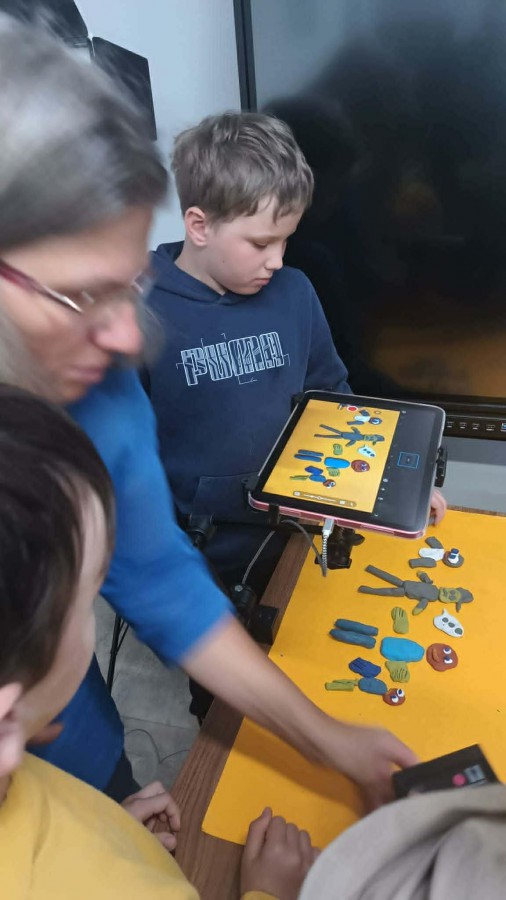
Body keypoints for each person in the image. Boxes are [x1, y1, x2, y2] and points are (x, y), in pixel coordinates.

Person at [0, 14, 417, 810]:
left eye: (130, 284)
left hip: (70, 752)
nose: (130, 337)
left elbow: (159, 579)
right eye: (83, 294)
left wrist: (325, 738)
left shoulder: (102, 381)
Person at [0, 385, 318, 900]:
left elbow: (51, 836)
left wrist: (107, 834)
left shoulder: (28, 775)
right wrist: (267, 892)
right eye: (87, 600)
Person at [144, 111, 446, 597]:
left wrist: (395, 490)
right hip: (198, 560)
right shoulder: (138, 311)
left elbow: (335, 400)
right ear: (199, 226)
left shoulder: (294, 292)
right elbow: (125, 462)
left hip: (297, 539)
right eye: (262, 243)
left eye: (286, 240)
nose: (278, 260)